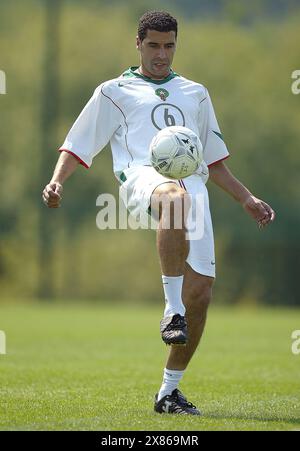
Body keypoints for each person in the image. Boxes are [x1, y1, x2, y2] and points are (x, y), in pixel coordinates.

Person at [42, 10, 275, 415]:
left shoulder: (195, 93)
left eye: (169, 46)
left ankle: (168, 392)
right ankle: (171, 309)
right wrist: (57, 181)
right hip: (143, 180)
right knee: (173, 198)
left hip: (195, 191)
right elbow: (77, 145)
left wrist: (247, 199)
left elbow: (214, 162)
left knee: (201, 294)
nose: (161, 54)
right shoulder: (113, 92)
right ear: (138, 44)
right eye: (153, 45)